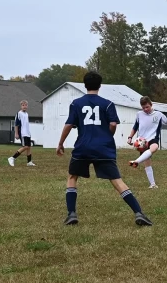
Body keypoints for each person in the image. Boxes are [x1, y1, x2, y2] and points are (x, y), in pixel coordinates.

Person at [56, 71, 152, 226]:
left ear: (85, 85)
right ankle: (138, 213)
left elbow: (68, 125)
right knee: (117, 181)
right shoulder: (107, 104)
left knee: (72, 177)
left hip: (83, 147)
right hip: (103, 148)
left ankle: (71, 214)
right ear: (100, 86)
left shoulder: (76, 104)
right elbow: (113, 124)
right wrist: (107, 135)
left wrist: (60, 143)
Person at [127, 96, 167, 189]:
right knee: (147, 162)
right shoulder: (139, 114)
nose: (145, 109)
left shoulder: (159, 115)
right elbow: (135, 127)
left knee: (155, 147)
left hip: (153, 138)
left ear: (151, 104)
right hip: (142, 142)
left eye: (147, 107)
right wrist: (130, 137)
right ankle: (152, 184)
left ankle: (136, 161)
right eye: (143, 107)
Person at [8, 100, 36, 167]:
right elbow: (16, 124)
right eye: (23, 105)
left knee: (29, 147)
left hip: (27, 133)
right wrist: (16, 133)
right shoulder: (19, 113)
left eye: (26, 105)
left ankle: (29, 162)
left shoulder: (26, 114)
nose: (24, 106)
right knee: (25, 146)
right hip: (22, 133)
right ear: (21, 106)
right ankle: (12, 158)